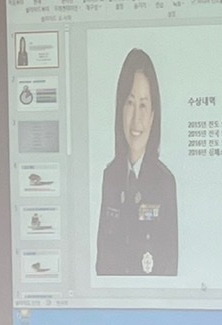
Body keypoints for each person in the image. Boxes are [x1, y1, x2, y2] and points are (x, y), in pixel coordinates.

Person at [95, 48, 178, 277]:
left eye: (143, 105)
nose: (136, 120)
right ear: (120, 109)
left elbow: (170, 267)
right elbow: (101, 260)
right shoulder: (110, 177)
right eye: (130, 103)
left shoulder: (164, 182)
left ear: (153, 116)